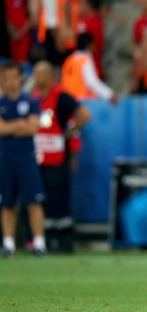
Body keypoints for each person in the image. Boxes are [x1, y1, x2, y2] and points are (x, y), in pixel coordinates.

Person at [31, 61, 90, 253]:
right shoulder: (34, 98)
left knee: (59, 200)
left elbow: (84, 114)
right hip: (38, 159)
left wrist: (71, 131)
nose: (36, 77)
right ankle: (47, 238)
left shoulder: (62, 97)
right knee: (42, 200)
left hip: (58, 159)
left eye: (39, 73)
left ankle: (64, 240)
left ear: (49, 76)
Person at [1, 62, 46, 256]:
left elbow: (33, 127)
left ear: (20, 77)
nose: (9, 81)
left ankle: (39, 242)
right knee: (6, 202)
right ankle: (9, 243)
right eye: (5, 77)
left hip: (26, 158)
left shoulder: (31, 101)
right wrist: (19, 125)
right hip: (5, 158)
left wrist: (10, 127)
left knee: (33, 201)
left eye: (12, 76)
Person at [60, 33, 116, 103]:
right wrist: (109, 94)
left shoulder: (69, 60)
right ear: (88, 45)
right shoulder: (85, 59)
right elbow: (92, 82)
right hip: (83, 102)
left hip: (68, 101)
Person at [5, 0, 31, 64]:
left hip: (24, 34)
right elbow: (7, 17)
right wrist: (11, 30)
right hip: (12, 34)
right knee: (13, 59)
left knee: (23, 59)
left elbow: (30, 17)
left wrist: (22, 32)